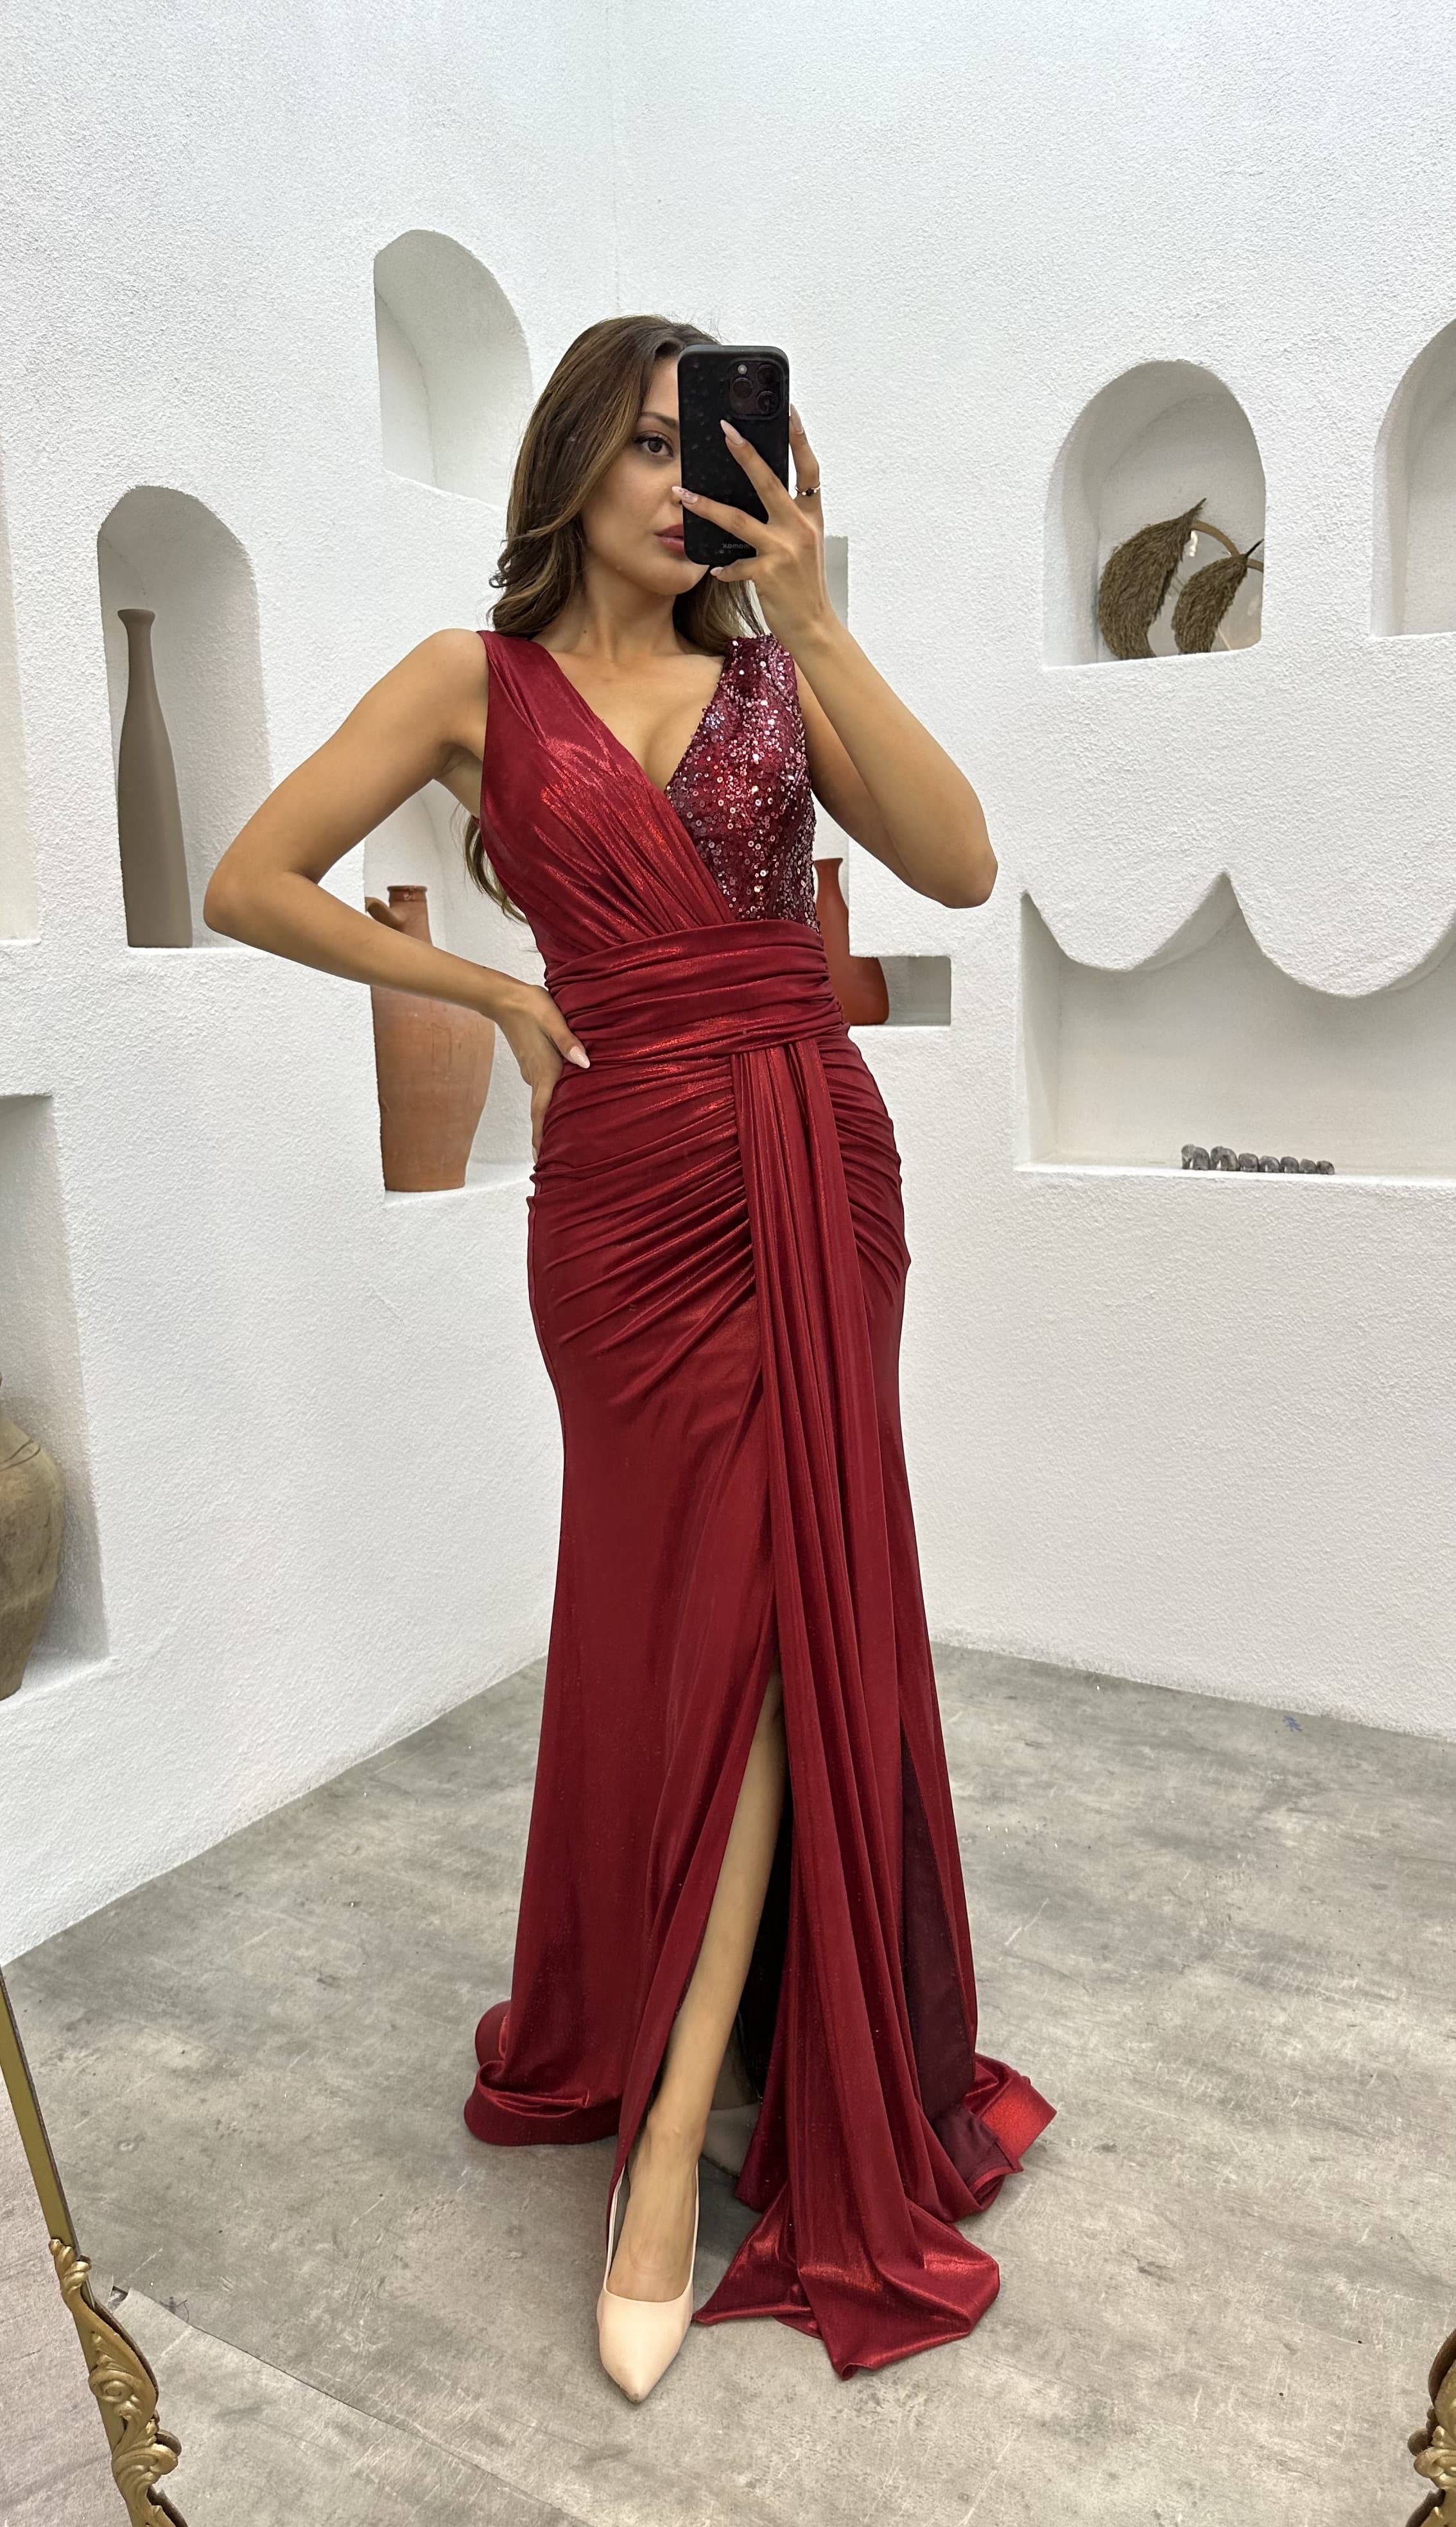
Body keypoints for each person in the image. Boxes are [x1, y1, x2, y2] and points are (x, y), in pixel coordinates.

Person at [204, 313, 1053, 2403]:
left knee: (777, 1606)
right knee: (674, 1609)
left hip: (810, 1157)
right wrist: (489, 996)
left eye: (724, 450)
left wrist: (819, 618)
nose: (692, 485)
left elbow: (959, 864)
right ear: (576, 455)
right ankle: (684, 2038)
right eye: (658, 445)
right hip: (622, 1198)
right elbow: (249, 880)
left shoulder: (776, 674)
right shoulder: (466, 682)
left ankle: (671, 2140)